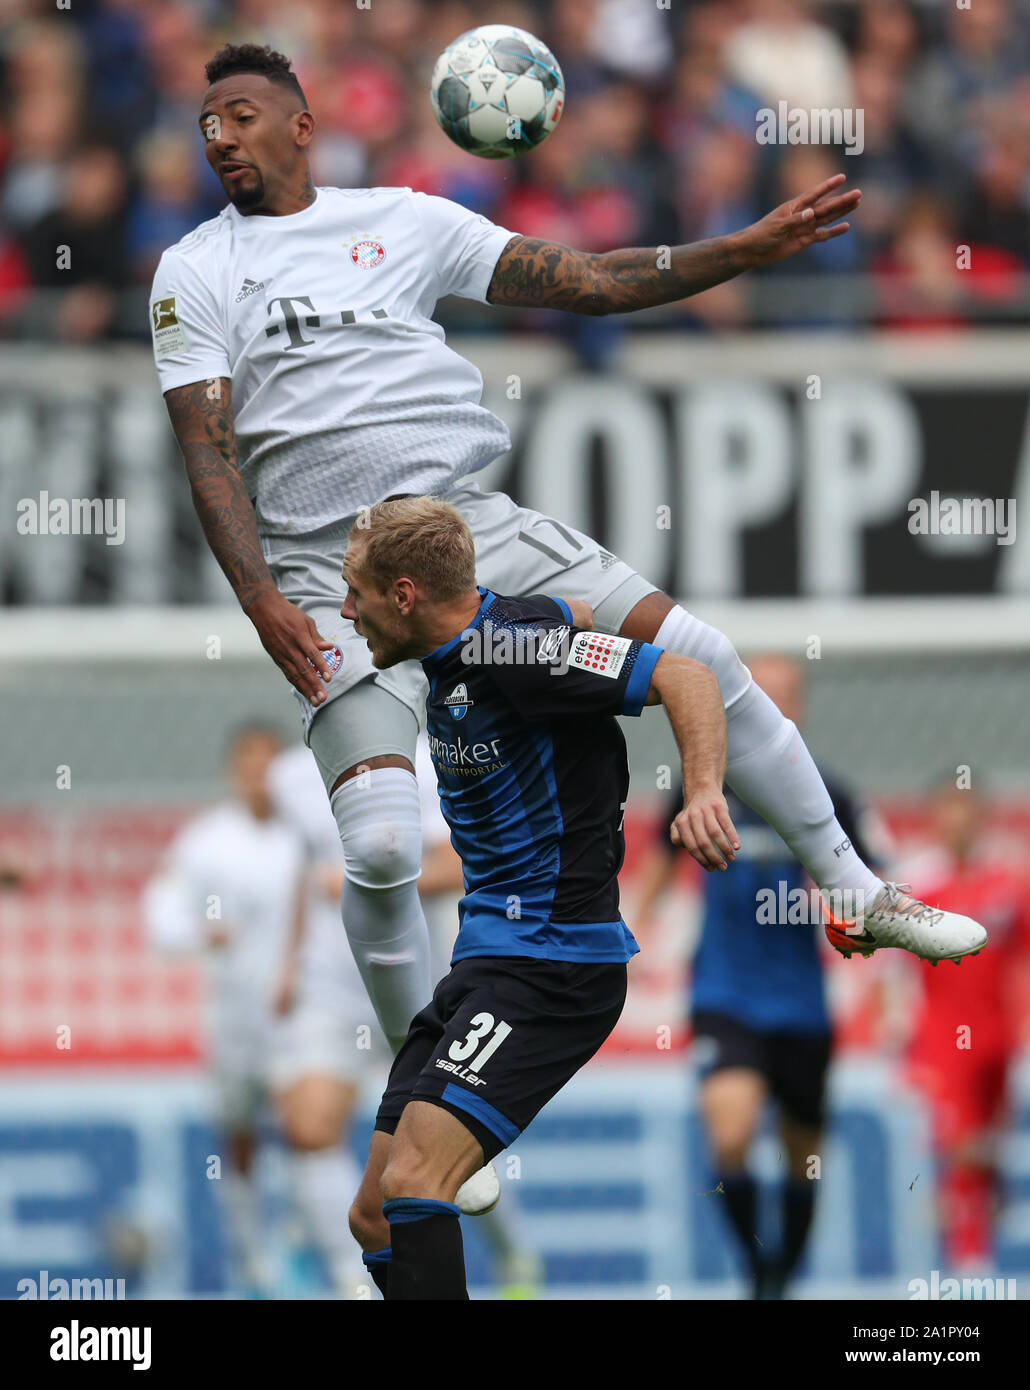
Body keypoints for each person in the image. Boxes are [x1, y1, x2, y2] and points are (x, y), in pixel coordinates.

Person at [150, 43, 986, 1100]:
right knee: (376, 847)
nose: (217, 136)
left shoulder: (404, 222)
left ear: (301, 126)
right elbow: (205, 445)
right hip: (327, 576)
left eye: (238, 115)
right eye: (206, 123)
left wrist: (740, 246)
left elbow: (586, 281)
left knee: (701, 652)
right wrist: (262, 596)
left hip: (461, 533)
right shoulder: (193, 269)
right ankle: (428, 1073)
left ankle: (856, 889)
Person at [342, 496, 738, 1299]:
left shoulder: (515, 653)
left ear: (407, 594)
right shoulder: (495, 631)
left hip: (553, 965)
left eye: (357, 592)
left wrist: (701, 793)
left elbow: (687, 673)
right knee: (375, 1216)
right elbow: (575, 610)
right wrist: (566, 621)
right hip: (484, 965)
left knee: (418, 1174)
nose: (347, 612)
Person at [633, 654, 892, 1298]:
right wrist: (628, 945)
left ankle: (781, 1281)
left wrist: (870, 944)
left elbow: (872, 887)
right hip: (725, 991)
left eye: (783, 697)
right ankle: (757, 1273)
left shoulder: (828, 793)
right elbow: (656, 875)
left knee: (805, 1156)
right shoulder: (703, 785)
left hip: (802, 999)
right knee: (731, 1130)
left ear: (796, 708)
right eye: (760, 695)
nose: (771, 709)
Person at [143, 724, 367, 1298]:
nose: (259, 777)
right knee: (240, 1139)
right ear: (232, 771)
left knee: (309, 1132)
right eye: (248, 764)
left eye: (269, 765)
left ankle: (339, 1268)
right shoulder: (207, 841)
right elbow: (162, 909)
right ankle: (249, 1256)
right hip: (236, 1020)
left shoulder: (313, 838)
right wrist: (198, 932)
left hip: (301, 1016)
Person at [902, 779, 1030, 1271]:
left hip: (998, 1038)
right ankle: (968, 1263)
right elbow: (889, 966)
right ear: (936, 819)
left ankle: (975, 1246)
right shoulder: (917, 888)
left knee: (987, 1152)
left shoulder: (1007, 885)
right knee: (963, 1147)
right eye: (949, 813)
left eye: (967, 812)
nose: (959, 823)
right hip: (943, 1039)